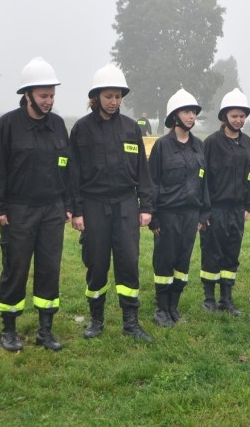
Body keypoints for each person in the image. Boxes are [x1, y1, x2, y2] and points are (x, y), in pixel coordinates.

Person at [0, 57, 70, 352]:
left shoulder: (58, 125)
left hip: (52, 211)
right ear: (28, 94)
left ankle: (45, 329)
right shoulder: (9, 125)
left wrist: (66, 204)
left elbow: (67, 167)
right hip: (18, 210)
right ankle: (9, 329)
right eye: (44, 96)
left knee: (49, 268)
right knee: (15, 267)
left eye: (52, 96)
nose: (49, 101)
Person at [69, 63, 154, 342]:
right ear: (96, 97)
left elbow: (142, 169)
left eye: (118, 96)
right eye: (108, 96)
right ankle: (96, 319)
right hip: (93, 205)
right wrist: (77, 210)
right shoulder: (81, 130)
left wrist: (146, 206)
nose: (114, 102)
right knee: (96, 263)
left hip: (126, 204)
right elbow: (74, 174)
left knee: (128, 261)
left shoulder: (131, 128)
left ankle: (131, 321)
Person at [148, 89, 209, 327]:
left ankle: (174, 306)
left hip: (191, 214)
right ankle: (161, 309)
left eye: (193, 112)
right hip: (167, 214)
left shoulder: (199, 146)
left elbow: (204, 182)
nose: (191, 116)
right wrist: (153, 217)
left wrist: (203, 214)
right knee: (165, 261)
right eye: (186, 111)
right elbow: (151, 182)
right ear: (175, 115)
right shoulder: (162, 146)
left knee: (183, 262)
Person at [200, 88, 250, 316]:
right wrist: (205, 211)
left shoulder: (247, 143)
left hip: (237, 210)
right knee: (212, 252)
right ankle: (209, 299)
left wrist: (247, 206)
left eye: (242, 116)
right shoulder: (212, 142)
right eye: (234, 116)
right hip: (216, 208)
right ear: (224, 117)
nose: (239, 120)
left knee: (232, 254)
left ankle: (226, 299)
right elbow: (202, 179)